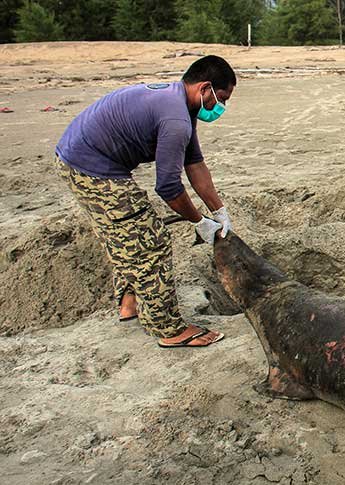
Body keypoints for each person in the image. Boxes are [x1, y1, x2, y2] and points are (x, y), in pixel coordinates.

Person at [55, 55, 237, 348]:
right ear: (205, 88)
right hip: (93, 167)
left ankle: (129, 304)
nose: (221, 106)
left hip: (78, 156)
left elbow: (195, 164)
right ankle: (168, 329)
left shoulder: (178, 104)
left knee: (123, 237)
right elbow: (167, 187)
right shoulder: (176, 119)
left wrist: (219, 209)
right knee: (151, 243)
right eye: (221, 98)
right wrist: (198, 221)